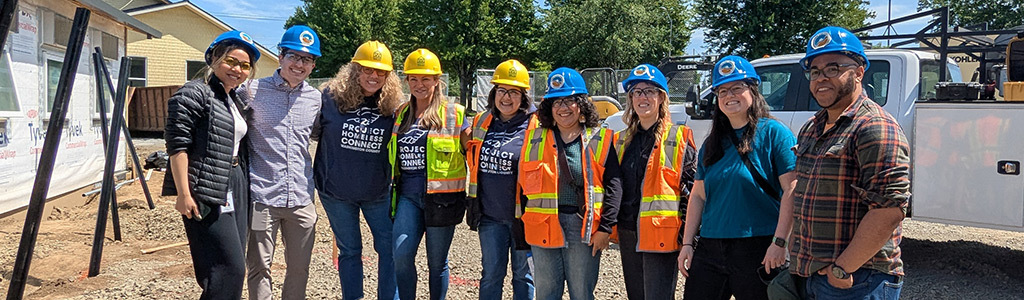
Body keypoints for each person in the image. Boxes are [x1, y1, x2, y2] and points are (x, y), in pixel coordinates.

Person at [789, 26, 910, 299]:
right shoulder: (812, 127)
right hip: (814, 275)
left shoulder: (875, 126)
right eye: (815, 71)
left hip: (858, 280)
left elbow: (889, 209)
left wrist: (842, 270)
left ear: (858, 72)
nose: (821, 78)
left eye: (833, 69)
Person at [676, 56, 798, 300]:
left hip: (758, 246)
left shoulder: (774, 133)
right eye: (722, 90)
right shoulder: (712, 143)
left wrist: (780, 242)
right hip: (711, 245)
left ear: (752, 90)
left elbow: (792, 189)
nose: (729, 95)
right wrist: (687, 243)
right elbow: (699, 196)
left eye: (736, 88)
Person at [164, 30, 260, 300]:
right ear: (215, 58)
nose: (237, 69)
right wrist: (184, 194)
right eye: (231, 61)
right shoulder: (195, 92)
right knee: (228, 268)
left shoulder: (234, 99)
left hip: (235, 181)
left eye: (244, 65)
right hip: (206, 185)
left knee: (232, 261)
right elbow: (177, 145)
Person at [519, 67, 623, 300]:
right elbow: (522, 188)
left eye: (569, 101)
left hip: (583, 228)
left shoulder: (599, 138)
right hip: (542, 226)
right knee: (546, 294)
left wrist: (606, 228)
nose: (563, 108)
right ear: (549, 108)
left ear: (581, 104)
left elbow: (614, 186)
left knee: (582, 294)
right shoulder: (535, 138)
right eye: (556, 102)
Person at [316, 40, 403, 300]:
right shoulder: (329, 98)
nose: (373, 76)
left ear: (388, 76)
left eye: (380, 72)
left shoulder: (394, 106)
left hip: (377, 192)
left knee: (389, 249)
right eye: (367, 69)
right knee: (350, 251)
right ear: (354, 70)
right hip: (336, 193)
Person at [243, 25, 322, 300]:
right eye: (294, 56)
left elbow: (320, 135)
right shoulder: (251, 91)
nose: (299, 64)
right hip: (262, 197)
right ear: (280, 56)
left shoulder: (315, 100)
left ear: (313, 65)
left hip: (301, 199)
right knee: (259, 266)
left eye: (307, 59)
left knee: (300, 268)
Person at [390, 48, 471, 300]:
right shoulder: (401, 113)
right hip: (408, 198)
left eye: (426, 78)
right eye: (413, 78)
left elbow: (475, 155)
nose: (419, 84)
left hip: (443, 200)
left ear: (437, 80)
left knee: (437, 263)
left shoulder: (455, 114)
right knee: (401, 256)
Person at [614, 64, 697, 300]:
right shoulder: (621, 141)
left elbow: (690, 192)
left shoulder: (678, 137)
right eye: (637, 92)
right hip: (629, 231)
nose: (643, 97)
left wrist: (688, 239)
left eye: (650, 91)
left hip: (662, 235)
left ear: (661, 97)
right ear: (631, 98)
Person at [465, 59, 538, 300]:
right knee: (491, 275)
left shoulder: (536, 126)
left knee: (523, 275)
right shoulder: (482, 122)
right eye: (502, 90)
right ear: (494, 92)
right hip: (490, 217)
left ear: (524, 96)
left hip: (524, 217)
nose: (506, 97)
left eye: (514, 92)